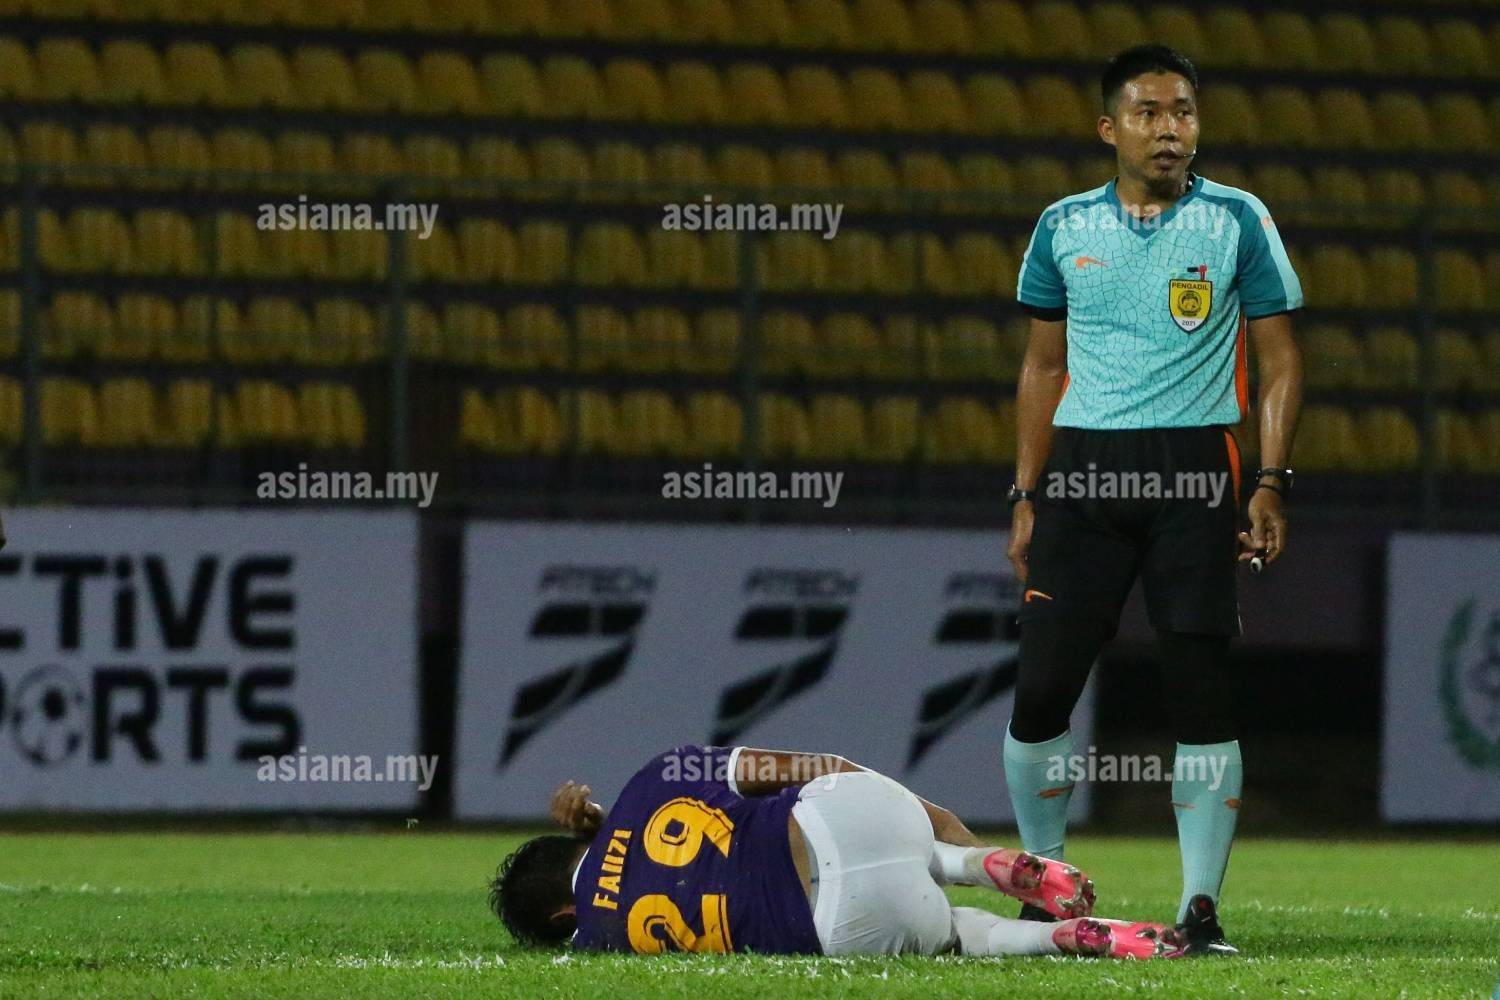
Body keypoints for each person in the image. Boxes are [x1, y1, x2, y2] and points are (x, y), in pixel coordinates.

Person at [1006, 44, 1304, 956]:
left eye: (1183, 112)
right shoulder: (1061, 226)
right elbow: (1043, 366)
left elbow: (1283, 361)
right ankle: (1045, 885)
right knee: (1043, 689)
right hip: (1084, 479)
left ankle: (1201, 908)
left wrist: (1269, 480)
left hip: (1194, 474)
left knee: (1198, 689)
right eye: (1148, 113)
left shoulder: (1239, 220)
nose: (1170, 129)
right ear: (1110, 128)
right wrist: (1024, 494)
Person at [490, 744, 1186, 959]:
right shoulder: (650, 779)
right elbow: (804, 765)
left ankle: (1063, 938)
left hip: (837, 921)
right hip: (839, 816)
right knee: (927, 853)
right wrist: (918, 813)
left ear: (561, 919)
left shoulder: (601, 942)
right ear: (578, 835)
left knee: (963, 939)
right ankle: (979, 863)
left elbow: (629, 881)